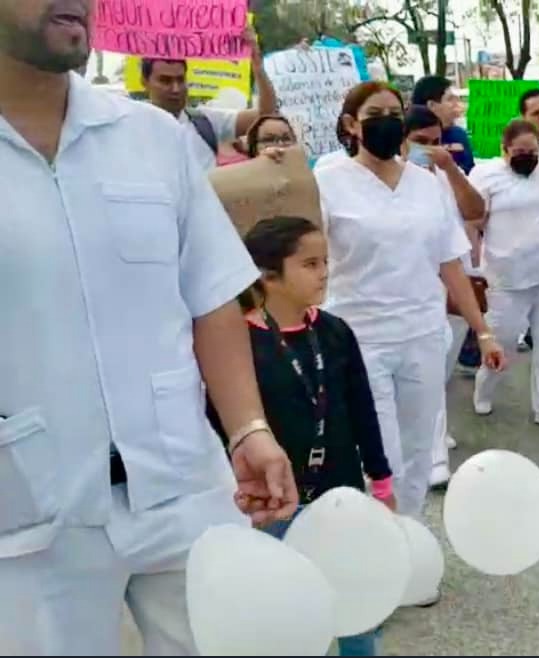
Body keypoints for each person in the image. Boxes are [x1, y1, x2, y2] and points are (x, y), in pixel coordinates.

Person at [0, 1, 297, 653]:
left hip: (184, 484)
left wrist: (248, 427)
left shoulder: (151, 140)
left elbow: (210, 295)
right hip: (28, 515)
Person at [315, 81, 505, 522]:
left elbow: (450, 265)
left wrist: (484, 332)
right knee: (381, 454)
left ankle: (411, 540)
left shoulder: (427, 184)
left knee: (420, 451)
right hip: (361, 341)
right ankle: (379, 548)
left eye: (394, 112)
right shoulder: (326, 184)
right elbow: (306, 259)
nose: (388, 121)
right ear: (350, 124)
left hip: (422, 335)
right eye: (375, 113)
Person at [210, 216, 395, 654]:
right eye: (310, 264)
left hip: (341, 494)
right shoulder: (237, 342)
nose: (325, 272)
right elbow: (223, 426)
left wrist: (381, 481)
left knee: (356, 611)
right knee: (282, 620)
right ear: (268, 275)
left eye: (326, 262)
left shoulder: (334, 331)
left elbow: (363, 410)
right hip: (275, 504)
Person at [399, 104, 489, 487]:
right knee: (427, 374)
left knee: (440, 372)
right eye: (420, 142)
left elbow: (475, 212)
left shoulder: (441, 178)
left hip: (451, 286)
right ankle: (433, 457)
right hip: (408, 296)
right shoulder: (386, 181)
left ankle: (430, 434)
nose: (430, 150)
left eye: (437, 142)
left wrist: (450, 170)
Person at [468, 119, 539, 431]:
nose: (527, 156)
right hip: (507, 278)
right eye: (519, 151)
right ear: (504, 150)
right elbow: (475, 218)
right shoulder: (486, 175)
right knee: (502, 341)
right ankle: (485, 386)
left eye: (532, 150)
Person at [140, 29, 277, 171]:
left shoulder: (206, 122)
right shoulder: (131, 125)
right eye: (165, 81)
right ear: (144, 82)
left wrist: (258, 68)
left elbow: (266, 113)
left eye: (180, 80)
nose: (176, 89)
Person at [412, 75, 475, 174]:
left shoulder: (459, 135)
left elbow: (470, 174)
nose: (456, 104)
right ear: (432, 105)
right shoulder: (409, 137)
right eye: (450, 99)